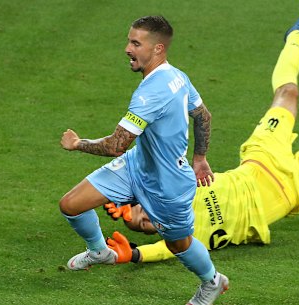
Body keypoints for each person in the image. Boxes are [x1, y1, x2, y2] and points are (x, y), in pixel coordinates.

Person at [104, 2, 299, 264]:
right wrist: (133, 254)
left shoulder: (174, 186)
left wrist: (124, 194)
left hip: (260, 162)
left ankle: (297, 35)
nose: (149, 221)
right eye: (147, 226)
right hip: (288, 193)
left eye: (143, 214)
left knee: (288, 93)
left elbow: (145, 166)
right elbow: (163, 251)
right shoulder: (184, 235)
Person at [59, 15, 228, 305]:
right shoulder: (177, 76)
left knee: (179, 245)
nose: (127, 48)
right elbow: (202, 115)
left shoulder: (151, 93)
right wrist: (200, 156)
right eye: (129, 40)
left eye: (136, 43)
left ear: (158, 48)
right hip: (138, 165)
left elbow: (115, 146)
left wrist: (77, 144)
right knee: (71, 205)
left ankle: (212, 282)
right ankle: (100, 252)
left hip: (167, 185)